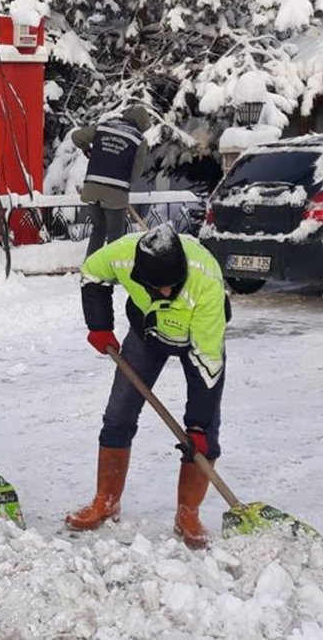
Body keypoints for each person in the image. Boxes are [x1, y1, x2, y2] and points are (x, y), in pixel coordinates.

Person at [67, 224, 229, 549]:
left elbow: (207, 364)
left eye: (172, 285)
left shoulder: (205, 280)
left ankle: (188, 514)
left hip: (197, 339)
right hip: (146, 333)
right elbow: (91, 275)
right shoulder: (124, 255)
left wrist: (197, 424)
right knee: (118, 416)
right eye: (159, 286)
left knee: (204, 432)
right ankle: (106, 500)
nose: (167, 292)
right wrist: (99, 326)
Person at [72, 105, 151, 257]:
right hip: (115, 192)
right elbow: (136, 170)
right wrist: (124, 183)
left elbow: (76, 137)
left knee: (99, 230)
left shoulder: (104, 128)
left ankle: (90, 269)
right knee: (116, 235)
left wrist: (88, 149)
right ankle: (112, 272)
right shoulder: (139, 139)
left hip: (92, 187)